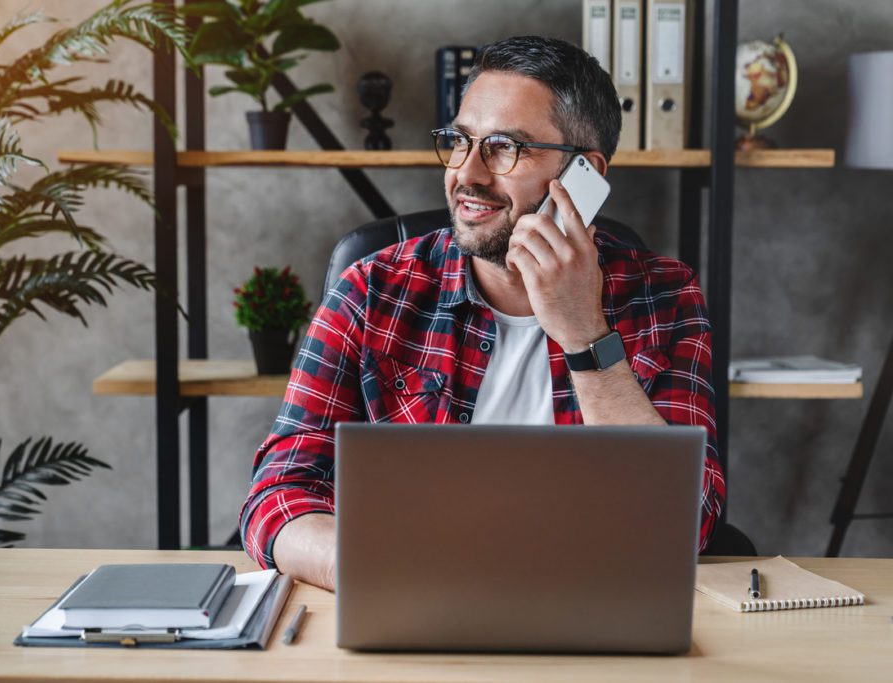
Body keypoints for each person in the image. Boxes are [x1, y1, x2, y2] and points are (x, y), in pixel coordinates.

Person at [240, 35, 725, 591]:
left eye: (504, 148)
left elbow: (688, 522)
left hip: (590, 613)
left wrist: (584, 334)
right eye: (459, 142)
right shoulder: (372, 292)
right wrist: (380, 569)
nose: (466, 174)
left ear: (584, 175)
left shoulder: (664, 296)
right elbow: (278, 493)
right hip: (408, 607)